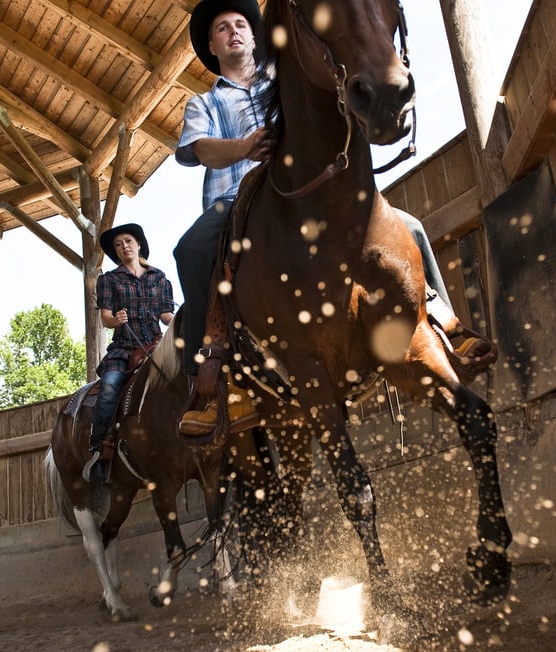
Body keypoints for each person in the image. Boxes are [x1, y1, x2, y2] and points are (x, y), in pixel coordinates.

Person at [173, 0, 489, 431]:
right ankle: (207, 381)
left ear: (255, 34)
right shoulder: (203, 103)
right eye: (223, 28)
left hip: (304, 188)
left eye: (241, 24)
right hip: (234, 198)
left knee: (409, 226)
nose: (234, 32)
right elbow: (198, 150)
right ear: (212, 44)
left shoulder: (285, 76)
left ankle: (445, 326)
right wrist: (243, 148)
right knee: (190, 248)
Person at [82, 223, 175, 483]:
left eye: (128, 241)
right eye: (118, 245)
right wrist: (117, 319)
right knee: (110, 388)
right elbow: (105, 319)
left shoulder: (159, 278)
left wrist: (183, 319)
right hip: (123, 349)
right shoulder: (109, 280)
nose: (124, 247)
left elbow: (167, 316)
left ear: (138, 244)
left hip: (156, 346)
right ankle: (100, 448)